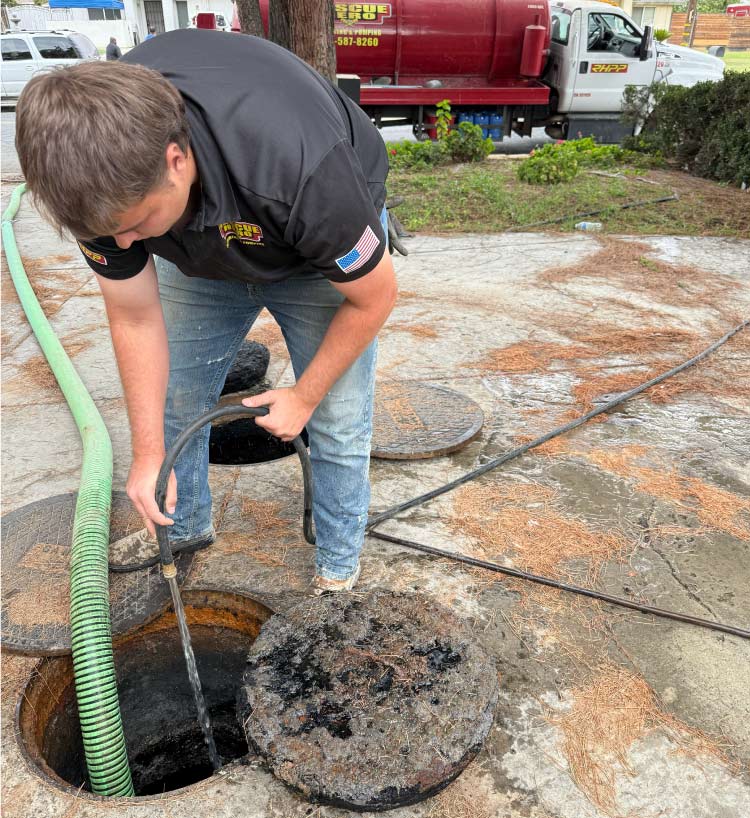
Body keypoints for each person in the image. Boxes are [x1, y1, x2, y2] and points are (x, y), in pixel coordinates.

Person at [16, 29, 395, 594]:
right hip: (200, 247)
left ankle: (337, 571)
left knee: (336, 419)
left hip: (308, 252)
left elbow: (376, 297)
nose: (122, 247)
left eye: (135, 224)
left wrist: (303, 395)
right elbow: (133, 316)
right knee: (178, 399)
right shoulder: (95, 179)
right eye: (105, 233)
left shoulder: (299, 168)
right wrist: (146, 459)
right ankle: (183, 526)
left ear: (175, 160)